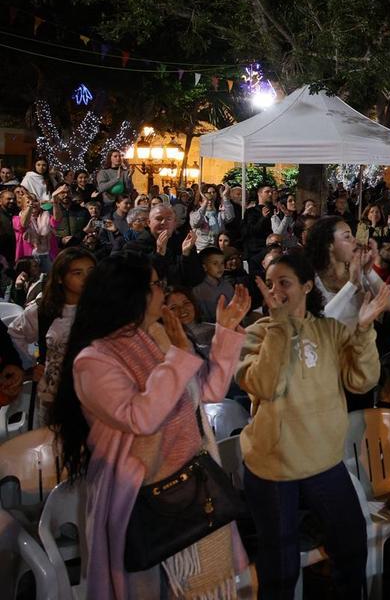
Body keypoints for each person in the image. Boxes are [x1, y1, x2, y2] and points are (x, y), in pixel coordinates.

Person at [49, 252, 250, 598]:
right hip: (141, 499)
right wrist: (179, 356)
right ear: (131, 293)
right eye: (157, 285)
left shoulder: (155, 336)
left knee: (208, 588)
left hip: (192, 486)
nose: (164, 293)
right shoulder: (93, 360)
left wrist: (226, 334)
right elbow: (141, 417)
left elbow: (206, 391)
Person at [239, 253, 390, 599]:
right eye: (271, 283)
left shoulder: (330, 330)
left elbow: (362, 380)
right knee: (280, 569)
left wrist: (365, 330)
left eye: (285, 282)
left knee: (351, 548)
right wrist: (279, 325)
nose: (276, 290)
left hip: (324, 461)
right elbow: (265, 385)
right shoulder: (255, 334)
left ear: (307, 286)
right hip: (273, 467)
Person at [5, 247, 96, 423]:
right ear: (61, 278)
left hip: (96, 395)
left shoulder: (104, 309)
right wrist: (32, 364)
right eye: (77, 273)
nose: (87, 278)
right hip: (55, 396)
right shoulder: (43, 311)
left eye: (91, 271)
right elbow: (15, 334)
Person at [305, 215, 385, 331]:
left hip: (361, 344)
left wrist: (369, 271)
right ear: (329, 245)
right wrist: (352, 284)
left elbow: (389, 303)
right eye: (347, 236)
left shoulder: (357, 270)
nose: (355, 241)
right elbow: (322, 321)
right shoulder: (313, 280)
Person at [192, 246, 236, 324]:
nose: (220, 267)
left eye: (222, 263)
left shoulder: (228, 286)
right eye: (215, 263)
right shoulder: (198, 290)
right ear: (204, 267)